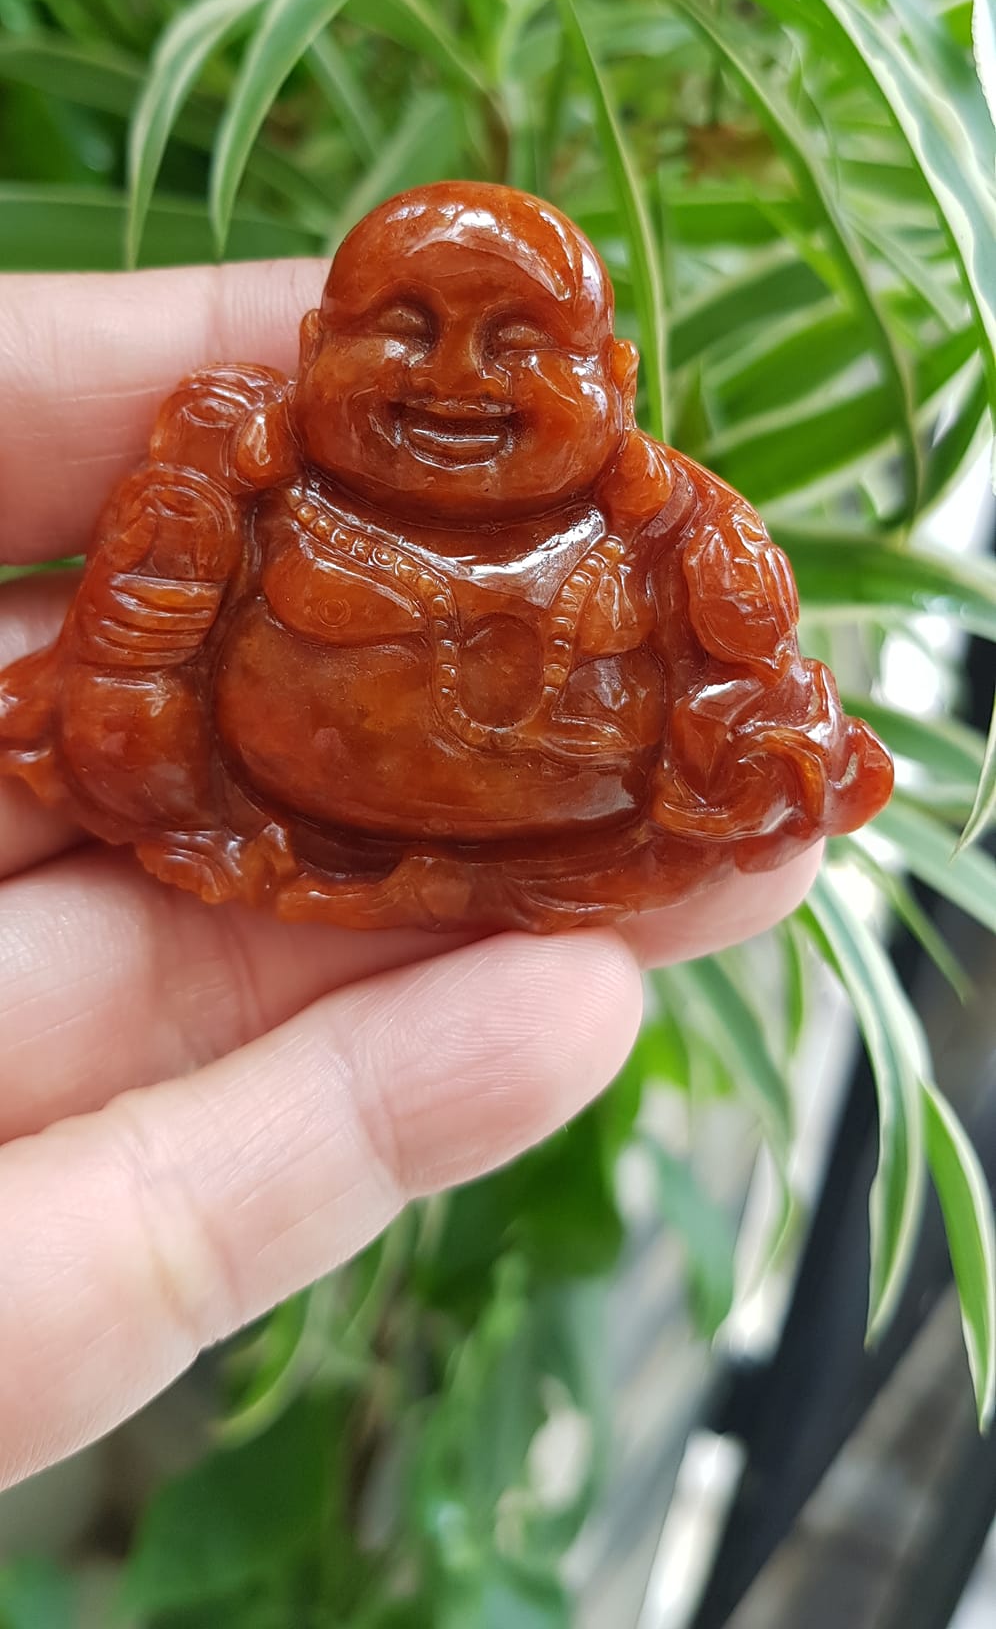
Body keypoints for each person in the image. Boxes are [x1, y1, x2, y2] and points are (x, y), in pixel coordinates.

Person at [0, 258, 821, 1490]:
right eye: (402, 329)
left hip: (560, 853)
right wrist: (145, 677)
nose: (452, 379)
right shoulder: (239, 484)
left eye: (517, 343)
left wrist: (747, 758)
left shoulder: (675, 533)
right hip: (262, 838)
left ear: (614, 376)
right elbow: (125, 698)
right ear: (313, 346)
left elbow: (764, 729)